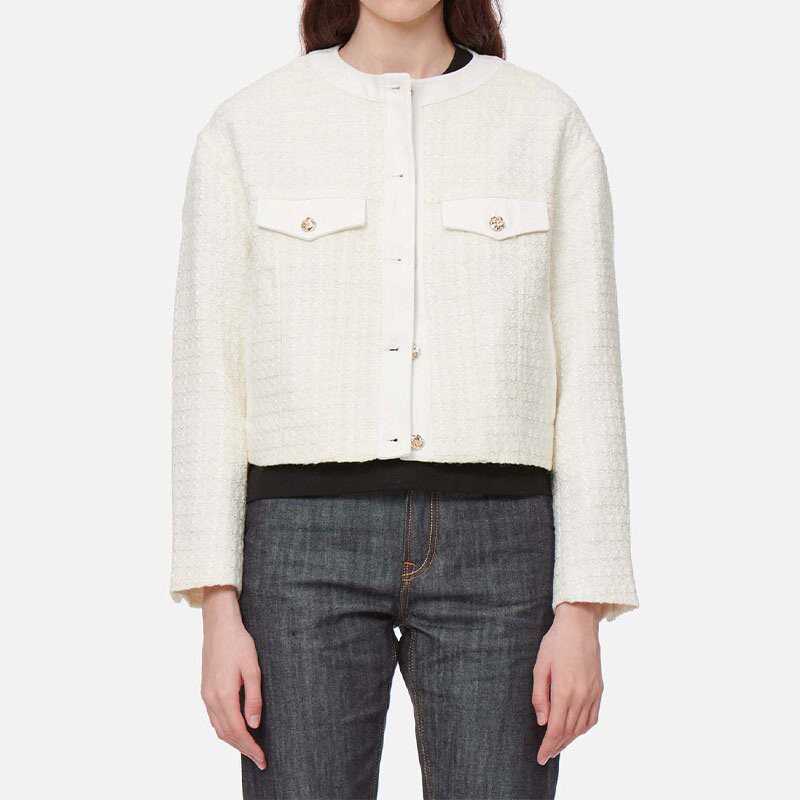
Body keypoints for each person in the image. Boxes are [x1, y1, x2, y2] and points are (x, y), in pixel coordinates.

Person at [170, 1, 639, 797]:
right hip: (298, 548)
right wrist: (217, 607)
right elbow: (208, 374)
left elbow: (590, 369)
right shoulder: (249, 126)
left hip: (502, 548)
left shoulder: (544, 122)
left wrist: (583, 610)